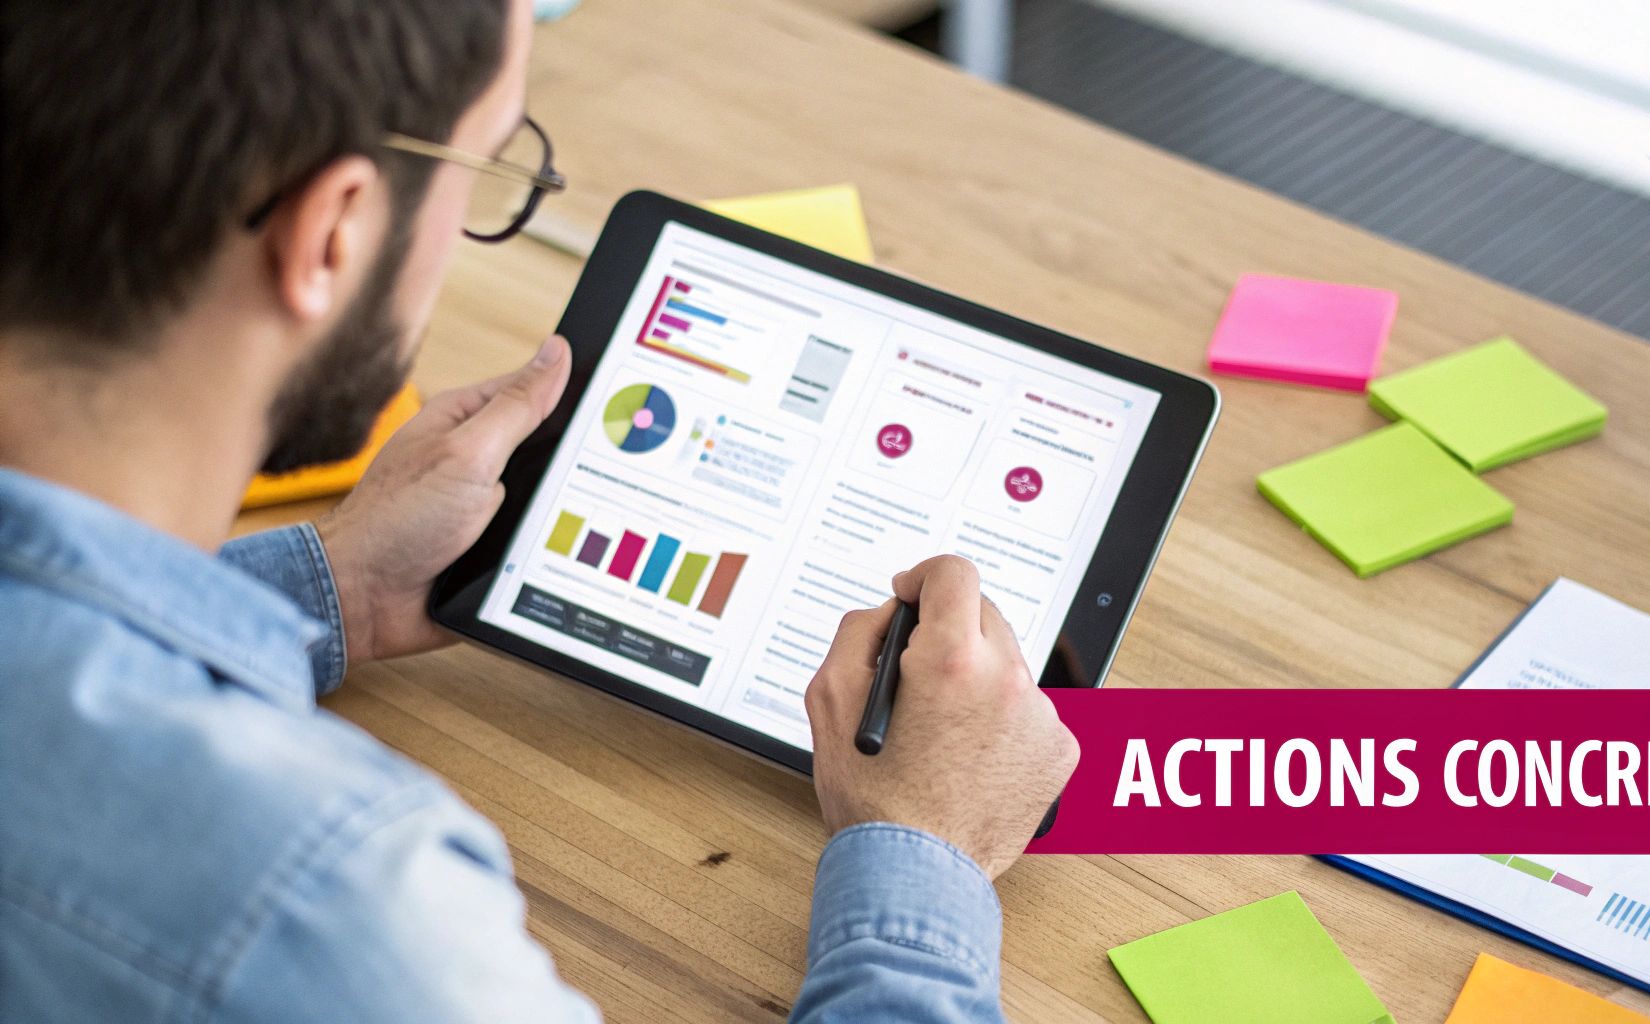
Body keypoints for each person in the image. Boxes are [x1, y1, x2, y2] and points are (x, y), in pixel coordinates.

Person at [0, 1, 1079, 1021]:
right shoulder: (332, 903)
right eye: (487, 171)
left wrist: (325, 587)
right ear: (332, 232)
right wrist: (923, 851)